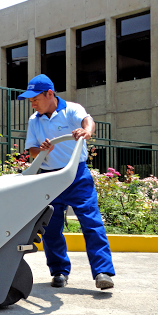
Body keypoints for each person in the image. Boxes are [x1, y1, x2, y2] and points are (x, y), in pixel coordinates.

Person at [18, 74, 115, 289]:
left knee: (91, 221)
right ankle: (59, 271)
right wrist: (41, 150)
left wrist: (86, 131)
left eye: (35, 99)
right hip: (49, 178)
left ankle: (102, 272)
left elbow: (87, 121)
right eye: (31, 100)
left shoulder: (71, 109)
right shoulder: (34, 120)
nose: (33, 104)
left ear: (49, 94)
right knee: (51, 228)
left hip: (76, 176)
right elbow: (32, 150)